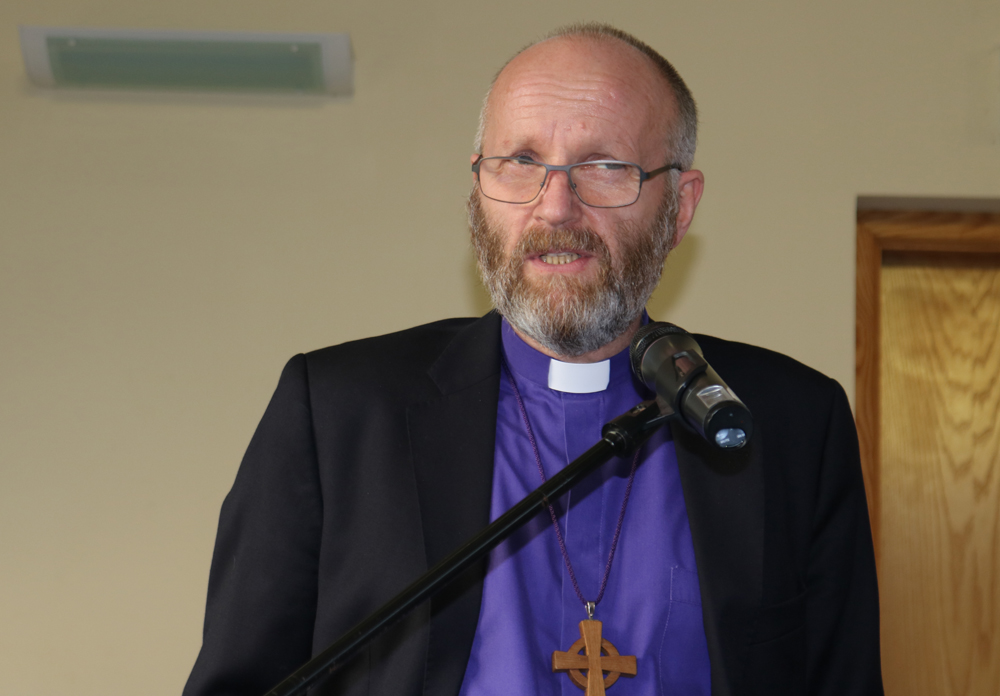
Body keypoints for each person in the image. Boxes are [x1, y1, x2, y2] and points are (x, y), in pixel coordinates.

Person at [184, 23, 883, 696]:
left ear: (678, 207)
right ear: (476, 194)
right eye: (520, 162)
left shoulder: (791, 424)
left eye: (604, 167)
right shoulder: (338, 415)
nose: (556, 208)